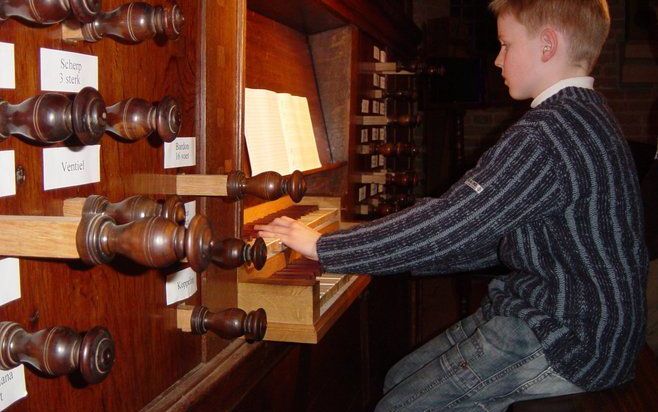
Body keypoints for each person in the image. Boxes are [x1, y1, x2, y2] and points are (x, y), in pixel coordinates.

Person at [255, 0, 649, 410]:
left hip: (574, 340)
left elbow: (452, 224)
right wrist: (367, 244)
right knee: (399, 378)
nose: (498, 60)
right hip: (572, 320)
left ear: (547, 46)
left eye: (506, 44)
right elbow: (486, 238)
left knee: (398, 405)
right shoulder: (584, 115)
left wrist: (327, 248)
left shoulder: (548, 133)